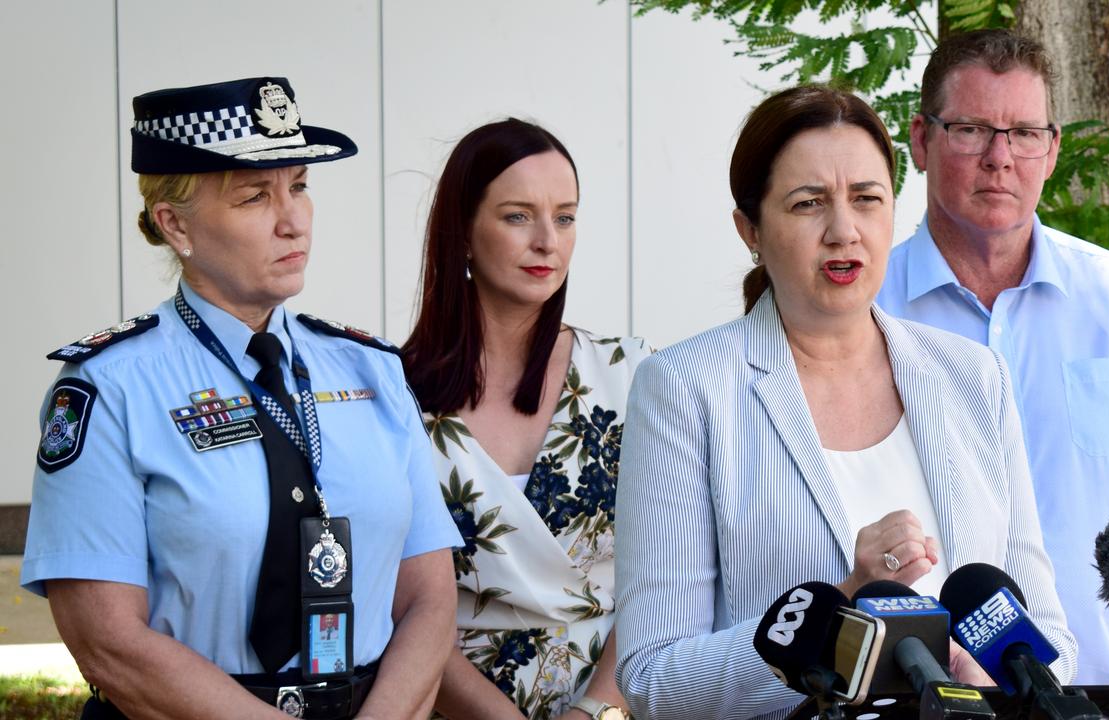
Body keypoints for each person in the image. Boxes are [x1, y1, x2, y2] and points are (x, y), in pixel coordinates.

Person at [613, 85, 1076, 720]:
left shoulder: (972, 374)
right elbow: (653, 676)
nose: (843, 230)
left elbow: (1047, 627)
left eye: (866, 199)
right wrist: (840, 609)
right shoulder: (684, 387)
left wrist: (998, 671)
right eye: (808, 204)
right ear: (750, 229)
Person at [21, 77, 461, 719]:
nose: (293, 219)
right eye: (255, 196)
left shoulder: (371, 370)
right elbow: (107, 641)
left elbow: (429, 599)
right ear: (175, 224)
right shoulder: (108, 387)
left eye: (301, 186)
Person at [875, 29, 1109, 685]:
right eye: (972, 129)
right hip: (936, 695)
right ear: (921, 140)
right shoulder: (865, 316)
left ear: (1053, 148)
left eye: (1024, 133)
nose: (999, 158)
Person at [401, 119, 649, 720]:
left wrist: (599, 709)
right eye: (517, 216)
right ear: (461, 230)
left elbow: (664, 571)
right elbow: (398, 599)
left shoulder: (633, 373)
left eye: (565, 217)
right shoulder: (394, 396)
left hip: (621, 702)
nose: (548, 241)